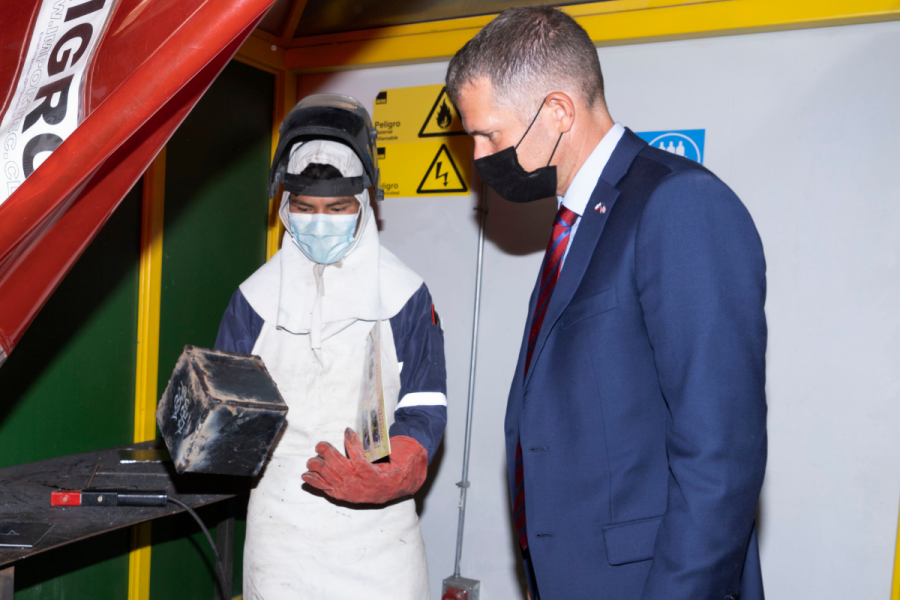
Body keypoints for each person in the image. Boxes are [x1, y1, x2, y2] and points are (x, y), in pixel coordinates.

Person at [446, 7, 766, 600]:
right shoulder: (577, 217)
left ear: (559, 111)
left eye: (489, 133)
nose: (480, 156)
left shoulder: (679, 205)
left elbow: (720, 454)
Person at [214, 94, 447, 600]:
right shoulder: (253, 300)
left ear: (364, 204)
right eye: (306, 208)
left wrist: (391, 477)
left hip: (379, 543)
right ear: (285, 205)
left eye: (337, 208)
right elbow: (228, 419)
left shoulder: (405, 294)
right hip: (281, 539)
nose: (320, 222)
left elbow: (424, 407)